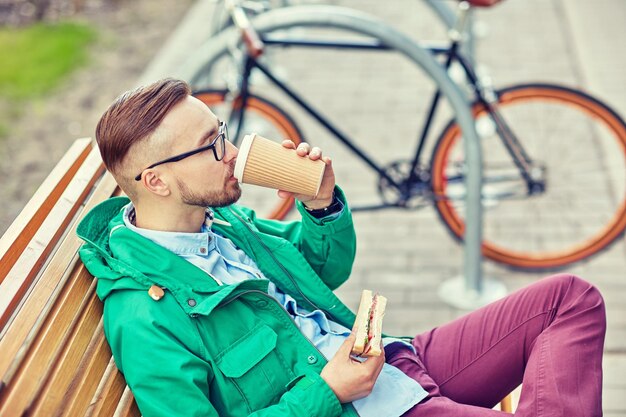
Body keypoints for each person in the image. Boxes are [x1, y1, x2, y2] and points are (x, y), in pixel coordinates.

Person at [77, 78, 606, 417]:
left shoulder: (222, 223)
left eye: (223, 132)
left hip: (395, 361)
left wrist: (321, 202)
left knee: (570, 300)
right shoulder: (144, 317)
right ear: (157, 181)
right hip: (365, 406)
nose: (233, 153)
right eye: (212, 145)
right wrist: (328, 393)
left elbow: (322, 270)